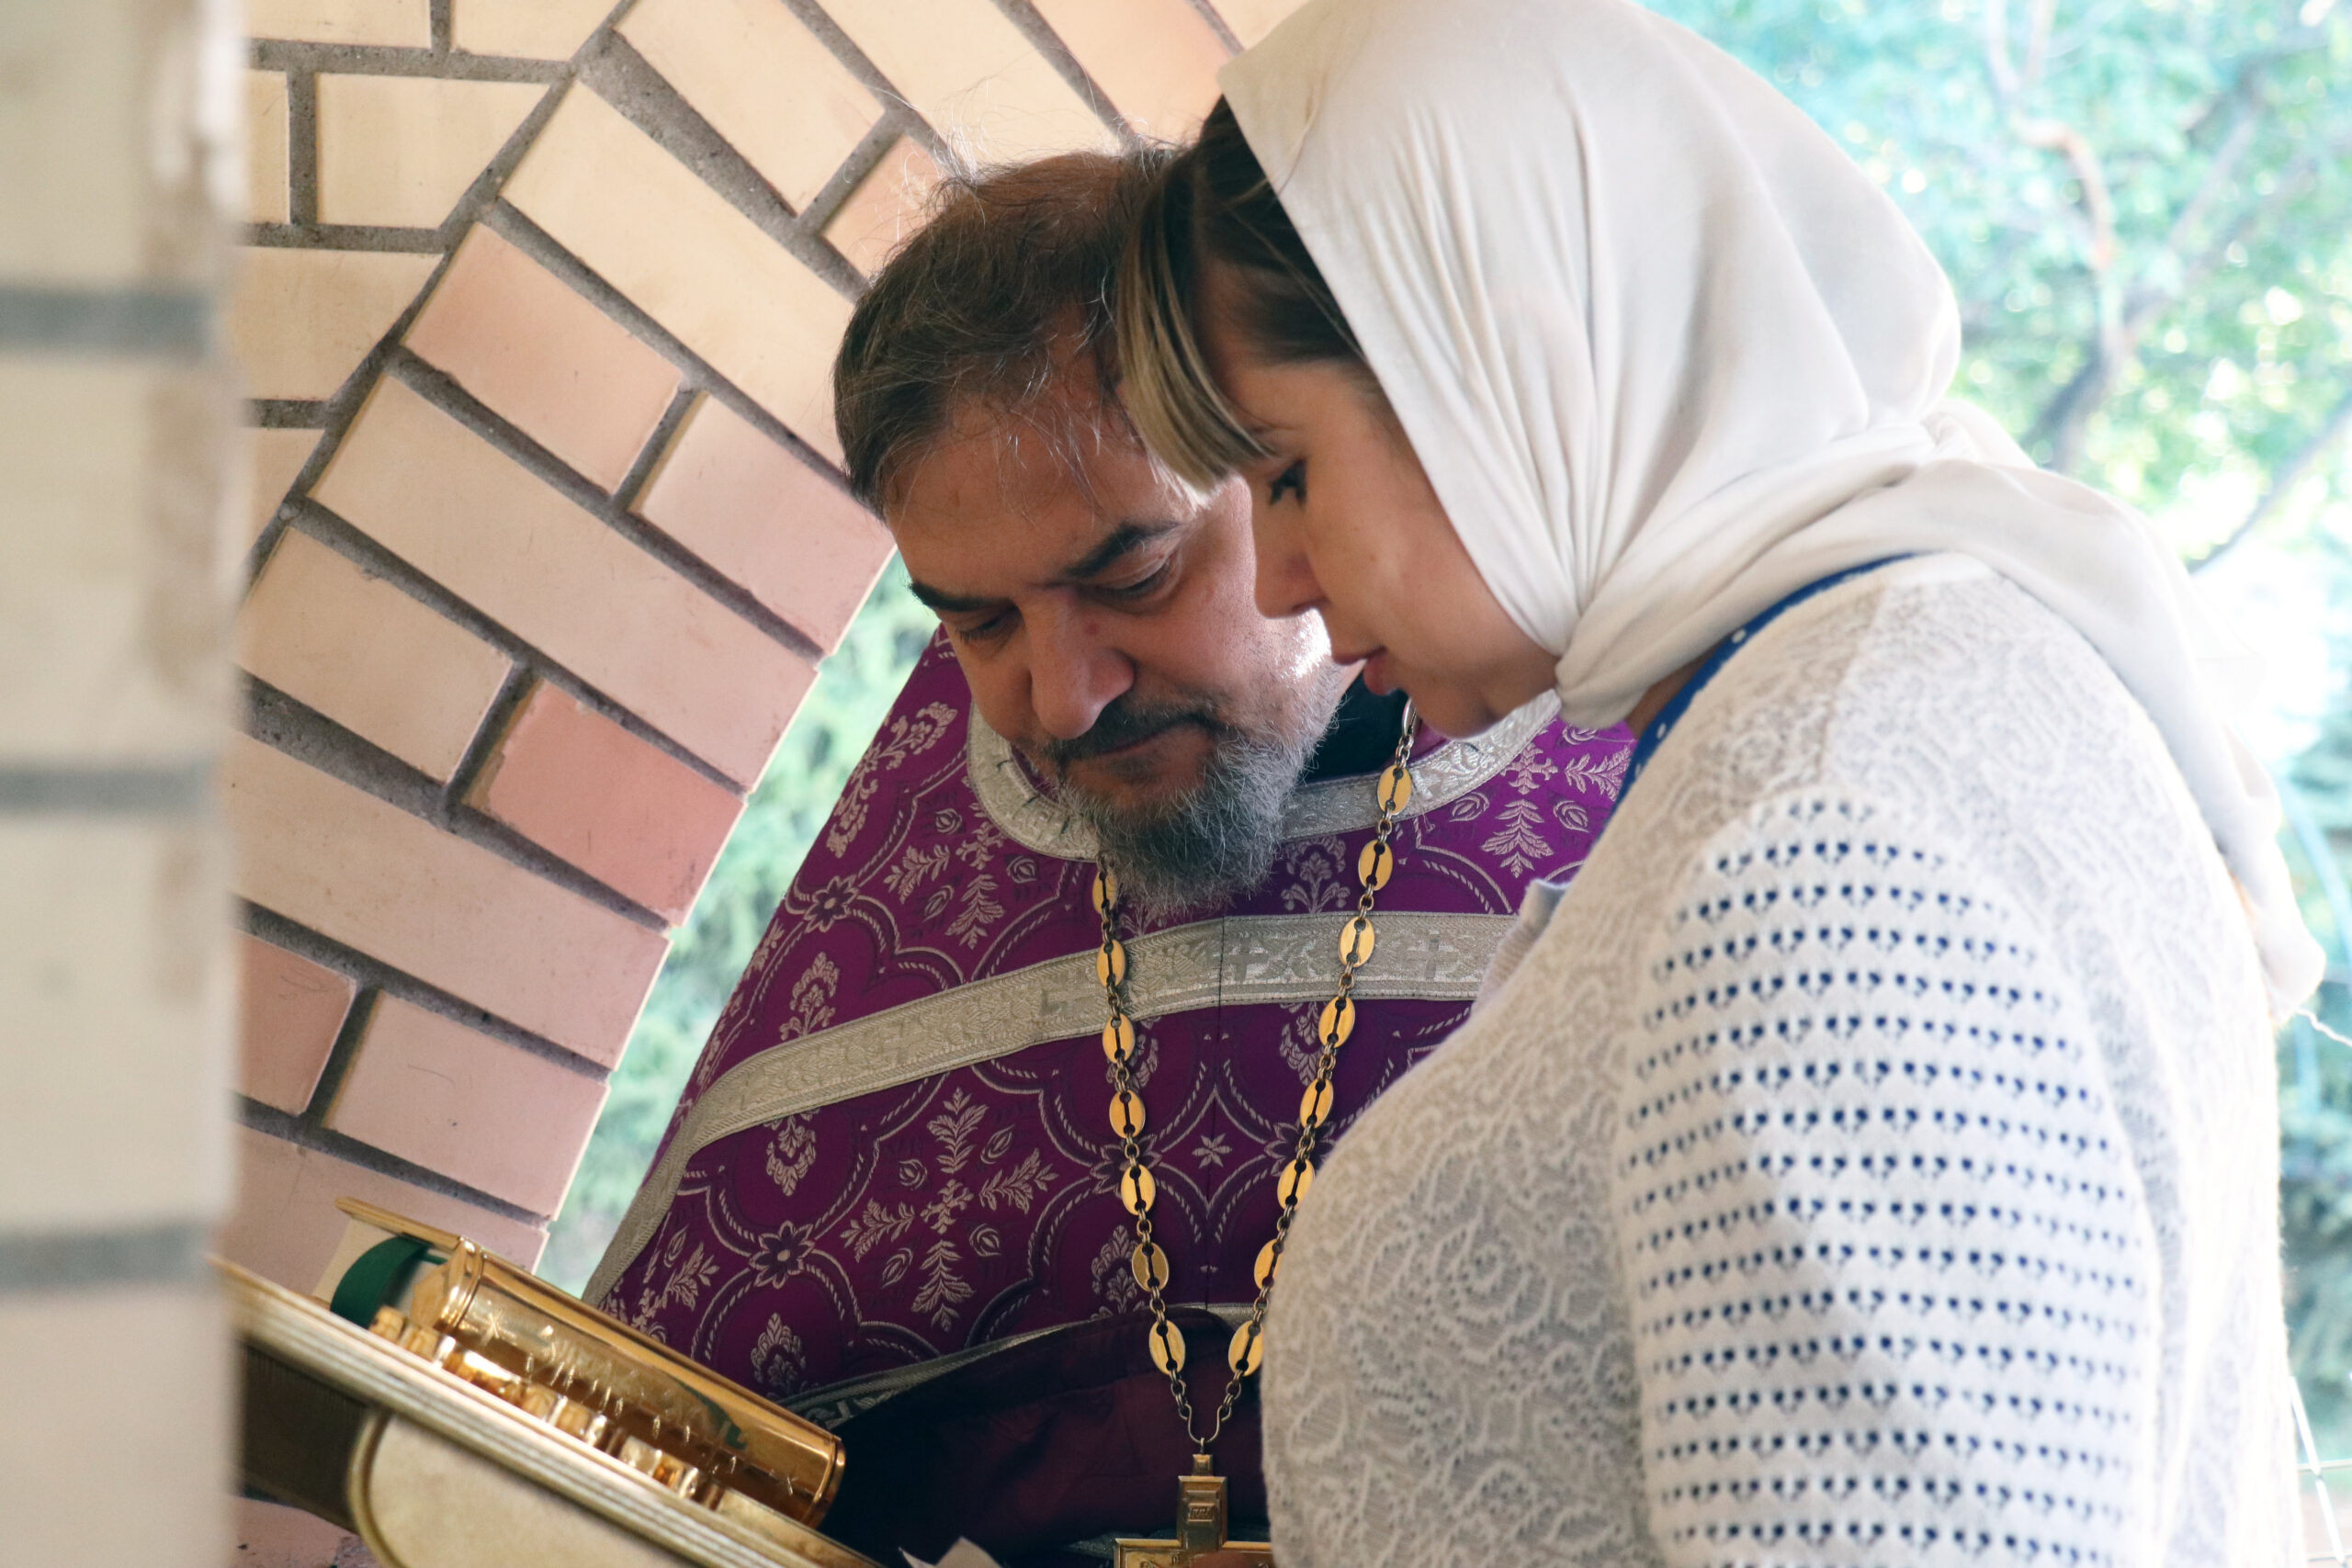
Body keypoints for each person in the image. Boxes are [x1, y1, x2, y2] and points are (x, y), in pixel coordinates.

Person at [1115, 0, 2326, 1562]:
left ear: (1511, 356)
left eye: (1287, 474)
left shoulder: (1823, 831)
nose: (1278, 577)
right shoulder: (1888, 692)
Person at [582, 150, 1632, 1567]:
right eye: (978, 625)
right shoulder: (920, 868)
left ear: (1297, 468)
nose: (1061, 703)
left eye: (1135, 576)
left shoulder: (1640, 783)